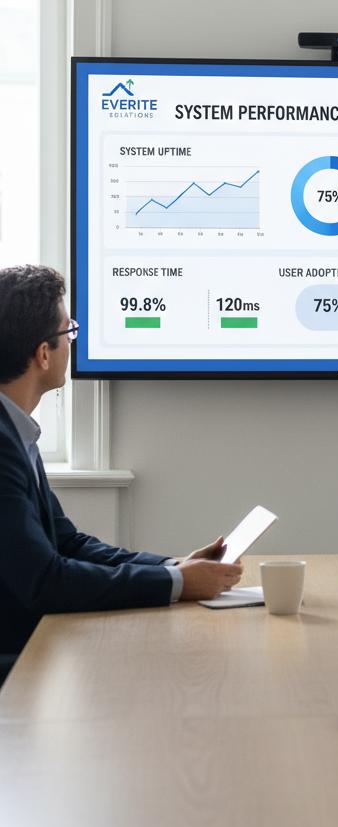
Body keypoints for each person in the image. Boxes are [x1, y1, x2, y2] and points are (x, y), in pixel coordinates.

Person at [0, 265, 242, 679]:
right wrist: (179, 584)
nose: (72, 342)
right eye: (68, 333)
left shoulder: (15, 430)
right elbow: (45, 581)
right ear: (43, 353)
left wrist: (173, 567)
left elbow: (68, 542)